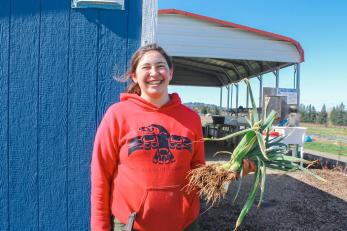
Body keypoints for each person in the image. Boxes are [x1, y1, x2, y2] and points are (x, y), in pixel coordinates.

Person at [91, 43, 255, 231]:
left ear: (170, 73)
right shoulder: (117, 115)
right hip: (131, 224)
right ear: (135, 76)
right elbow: (100, 177)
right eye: (146, 67)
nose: (154, 73)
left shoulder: (191, 118)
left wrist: (232, 172)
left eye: (160, 66)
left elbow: (197, 174)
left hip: (185, 224)